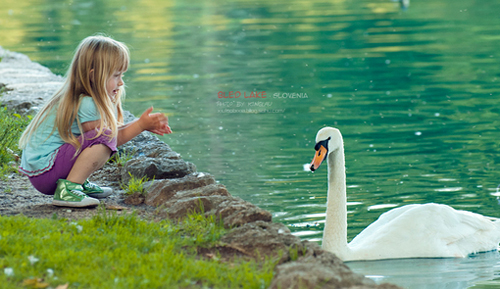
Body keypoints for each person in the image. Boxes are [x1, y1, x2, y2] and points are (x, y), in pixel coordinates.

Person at [18, 35, 172, 208]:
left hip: (45, 171)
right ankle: (68, 190)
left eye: (122, 75)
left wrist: (140, 123)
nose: (121, 82)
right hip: (46, 173)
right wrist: (140, 125)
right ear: (93, 76)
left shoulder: (81, 98)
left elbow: (109, 132)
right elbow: (110, 138)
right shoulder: (87, 103)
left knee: (102, 136)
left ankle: (77, 184)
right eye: (116, 75)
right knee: (103, 138)